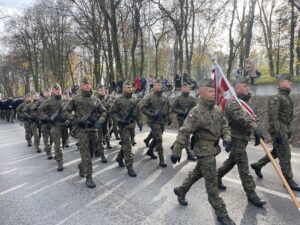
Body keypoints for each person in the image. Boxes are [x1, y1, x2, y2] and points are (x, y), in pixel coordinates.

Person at [170, 79, 235, 225]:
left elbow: (225, 125)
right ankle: (221, 213)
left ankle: (181, 190)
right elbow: (184, 131)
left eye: (214, 91)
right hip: (203, 150)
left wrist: (227, 138)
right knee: (212, 182)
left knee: (198, 172)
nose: (214, 93)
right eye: (210, 91)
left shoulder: (217, 109)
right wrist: (177, 150)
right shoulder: (196, 112)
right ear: (201, 92)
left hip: (213, 149)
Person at [216, 77, 266, 207]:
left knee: (232, 160)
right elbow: (241, 118)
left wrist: (256, 131)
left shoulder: (248, 102)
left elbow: (253, 118)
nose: (247, 88)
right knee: (243, 166)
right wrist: (255, 129)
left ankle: (216, 176)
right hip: (235, 138)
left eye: (247, 86)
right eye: (245, 86)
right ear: (237, 88)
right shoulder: (232, 102)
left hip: (244, 138)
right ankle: (251, 194)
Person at [250, 74, 300, 191]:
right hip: (279, 130)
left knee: (277, 152)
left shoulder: (286, 97)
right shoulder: (276, 97)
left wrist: (288, 130)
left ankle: (258, 165)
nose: (290, 83)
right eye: (288, 81)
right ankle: (288, 179)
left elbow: (286, 117)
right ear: (281, 83)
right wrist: (277, 133)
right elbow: (273, 117)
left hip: (284, 129)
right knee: (286, 155)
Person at [63, 77, 107, 188]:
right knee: (86, 154)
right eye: (85, 84)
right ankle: (89, 177)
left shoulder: (95, 99)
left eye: (89, 84)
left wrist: (100, 121)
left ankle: (82, 166)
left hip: (93, 129)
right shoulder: (75, 98)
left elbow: (104, 112)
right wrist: (75, 120)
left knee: (91, 153)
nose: (88, 85)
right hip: (82, 130)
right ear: (81, 85)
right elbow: (66, 110)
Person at [111, 80, 142, 177]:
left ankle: (119, 158)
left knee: (126, 144)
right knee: (128, 146)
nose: (129, 89)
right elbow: (113, 113)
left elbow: (138, 111)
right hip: (123, 126)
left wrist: (140, 121)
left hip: (132, 126)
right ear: (123, 88)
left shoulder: (135, 98)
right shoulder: (118, 99)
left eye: (130, 87)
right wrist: (119, 121)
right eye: (127, 87)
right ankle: (130, 167)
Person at [141, 79, 171, 167]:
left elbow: (169, 108)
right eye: (157, 85)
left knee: (156, 137)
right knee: (159, 139)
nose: (159, 87)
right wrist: (151, 114)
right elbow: (142, 107)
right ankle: (162, 159)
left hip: (163, 121)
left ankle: (150, 151)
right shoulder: (149, 97)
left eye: (160, 85)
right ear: (153, 87)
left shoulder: (165, 97)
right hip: (154, 121)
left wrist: (169, 118)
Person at [39, 84, 67, 171]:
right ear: (53, 91)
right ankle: (60, 161)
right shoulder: (49, 100)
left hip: (65, 125)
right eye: (56, 89)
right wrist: (47, 118)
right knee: (58, 144)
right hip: (55, 125)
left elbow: (71, 110)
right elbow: (40, 110)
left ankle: (58, 155)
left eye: (59, 89)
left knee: (64, 142)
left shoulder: (66, 100)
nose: (58, 90)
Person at [171, 82, 196, 161]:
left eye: (187, 87)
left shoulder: (192, 99)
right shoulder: (178, 98)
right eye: (185, 88)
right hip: (181, 119)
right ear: (181, 89)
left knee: (182, 136)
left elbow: (196, 110)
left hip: (189, 119)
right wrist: (181, 111)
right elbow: (172, 108)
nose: (186, 89)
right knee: (186, 136)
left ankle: (175, 145)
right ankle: (189, 154)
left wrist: (190, 112)